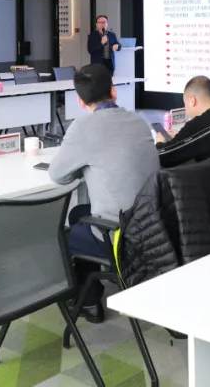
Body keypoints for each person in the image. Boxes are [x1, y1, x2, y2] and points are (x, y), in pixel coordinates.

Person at [48, 64, 159, 323]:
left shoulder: (83, 126)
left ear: (80, 101)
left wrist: (82, 167)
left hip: (118, 233)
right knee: (79, 213)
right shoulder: (138, 120)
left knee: (60, 236)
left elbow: (58, 175)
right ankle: (92, 290)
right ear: (113, 91)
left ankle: (89, 302)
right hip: (152, 226)